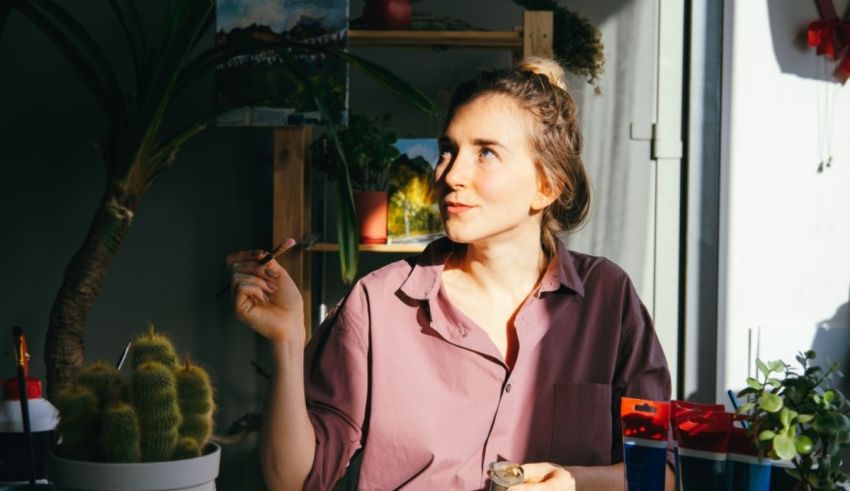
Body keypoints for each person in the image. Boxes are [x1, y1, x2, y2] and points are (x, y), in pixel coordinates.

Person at [226, 57, 672, 491]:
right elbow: (295, 480)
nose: (451, 174)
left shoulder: (609, 298)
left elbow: (661, 475)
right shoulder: (375, 305)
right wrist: (287, 341)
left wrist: (574, 484)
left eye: (486, 153)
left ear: (546, 186)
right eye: (448, 150)